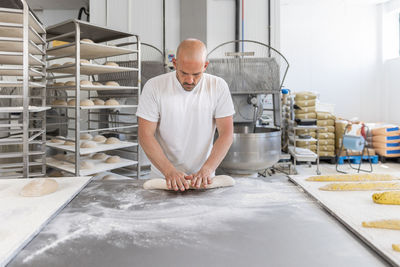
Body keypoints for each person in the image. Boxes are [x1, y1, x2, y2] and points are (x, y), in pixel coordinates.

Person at [136, 39, 234, 191]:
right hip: (163, 178)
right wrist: (169, 171)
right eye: (183, 73)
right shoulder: (154, 87)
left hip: (203, 180)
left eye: (196, 74)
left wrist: (207, 169)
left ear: (205, 66)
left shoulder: (218, 87)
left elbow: (226, 134)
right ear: (174, 63)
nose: (189, 80)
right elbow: (145, 135)